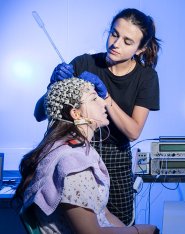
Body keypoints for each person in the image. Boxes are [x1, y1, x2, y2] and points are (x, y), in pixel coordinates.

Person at [34, 8, 160, 225]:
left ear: (140, 49)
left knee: (118, 221)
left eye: (127, 41)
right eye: (114, 34)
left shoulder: (146, 77)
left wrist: (106, 96)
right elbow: (39, 114)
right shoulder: (84, 63)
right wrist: (53, 85)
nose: (115, 43)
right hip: (75, 151)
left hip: (115, 157)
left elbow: (133, 131)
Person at [12, 77, 159, 234]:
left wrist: (131, 231)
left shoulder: (74, 148)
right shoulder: (72, 164)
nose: (104, 102)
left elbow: (104, 214)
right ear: (76, 114)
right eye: (94, 98)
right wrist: (140, 231)